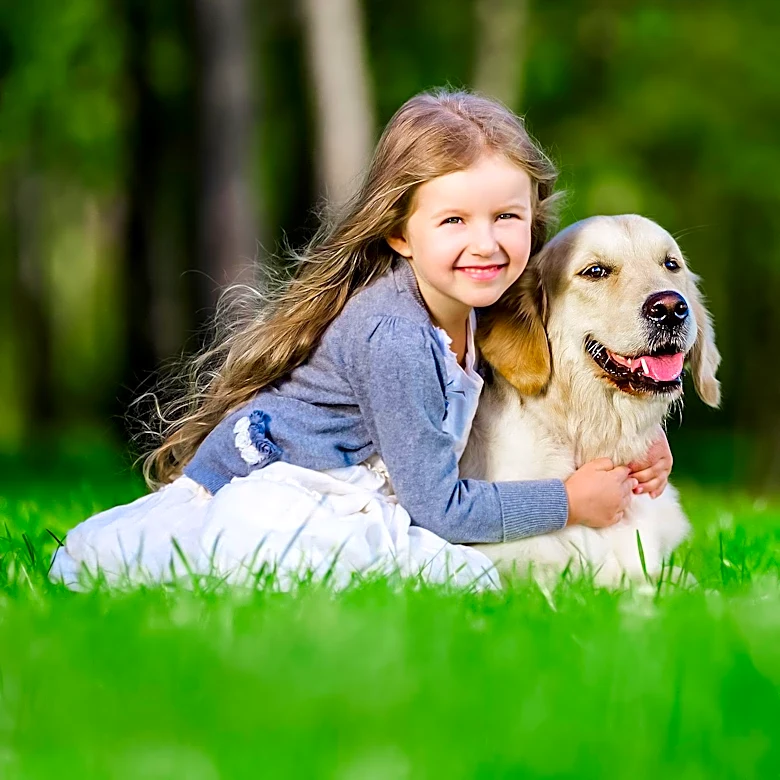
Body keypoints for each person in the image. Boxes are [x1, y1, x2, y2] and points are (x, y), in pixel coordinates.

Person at [49, 88, 672, 591]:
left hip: (363, 494)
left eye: (505, 217)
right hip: (294, 492)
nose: (485, 243)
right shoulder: (394, 338)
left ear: (531, 220)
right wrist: (567, 501)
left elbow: (559, 393)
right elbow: (442, 511)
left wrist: (644, 446)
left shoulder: (481, 307)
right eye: (454, 220)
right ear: (400, 234)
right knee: (461, 578)